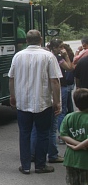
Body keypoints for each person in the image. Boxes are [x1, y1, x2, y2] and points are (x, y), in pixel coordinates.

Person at [9, 30, 62, 174]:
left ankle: (25, 166)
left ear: (26, 41)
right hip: (43, 102)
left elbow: (11, 78)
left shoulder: (18, 56)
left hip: (23, 102)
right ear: (41, 40)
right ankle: (40, 165)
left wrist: (12, 96)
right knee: (43, 133)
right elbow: (55, 81)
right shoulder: (48, 56)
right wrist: (57, 102)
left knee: (24, 134)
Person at [30, 39, 72, 163]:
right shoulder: (55, 59)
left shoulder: (38, 59)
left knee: (35, 128)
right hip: (52, 95)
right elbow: (69, 68)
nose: (61, 49)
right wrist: (66, 56)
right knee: (51, 128)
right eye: (60, 47)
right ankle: (53, 154)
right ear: (56, 48)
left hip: (37, 95)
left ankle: (33, 153)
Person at [59, 88, 88, 185]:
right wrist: (82, 145)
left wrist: (76, 145)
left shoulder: (68, 117)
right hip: (85, 160)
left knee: (72, 184)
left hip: (70, 157)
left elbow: (63, 134)